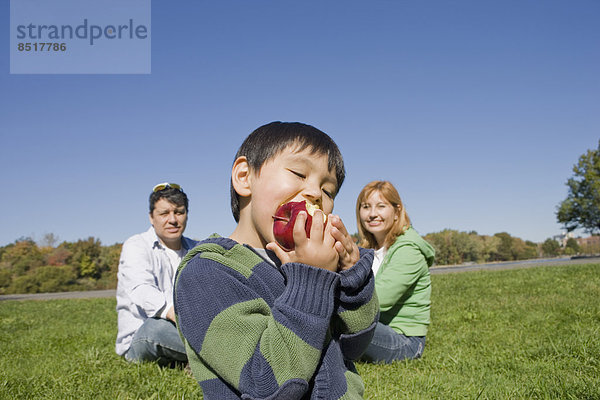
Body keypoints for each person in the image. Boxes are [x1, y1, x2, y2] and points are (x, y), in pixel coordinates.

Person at [174, 121, 378, 399]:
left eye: (328, 191)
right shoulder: (206, 274)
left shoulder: (311, 265)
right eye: (298, 173)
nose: (315, 194)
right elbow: (266, 383)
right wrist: (310, 280)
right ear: (245, 177)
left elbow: (355, 345)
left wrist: (352, 277)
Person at [116, 182, 198, 366]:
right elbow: (141, 289)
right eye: (164, 213)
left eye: (179, 212)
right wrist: (175, 314)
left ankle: (194, 361)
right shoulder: (136, 245)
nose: (173, 219)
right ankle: (223, 355)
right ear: (151, 218)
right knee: (156, 329)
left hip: (187, 329)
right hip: (143, 336)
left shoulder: (196, 249)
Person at [355, 180, 435, 364]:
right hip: (375, 327)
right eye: (366, 207)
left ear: (397, 211)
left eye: (381, 206)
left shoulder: (409, 249)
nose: (373, 214)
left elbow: (380, 299)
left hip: (405, 341)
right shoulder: (365, 249)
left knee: (344, 319)